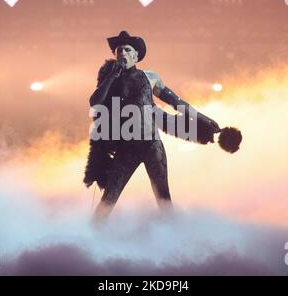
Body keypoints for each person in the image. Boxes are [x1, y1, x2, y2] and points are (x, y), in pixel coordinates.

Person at [84, 31, 240, 225]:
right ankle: (93, 237)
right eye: (119, 50)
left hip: (151, 145)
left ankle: (172, 238)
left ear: (136, 55)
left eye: (127, 49)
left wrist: (204, 119)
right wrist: (112, 76)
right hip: (126, 148)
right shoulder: (110, 79)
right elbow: (94, 102)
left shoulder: (151, 77)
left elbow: (176, 102)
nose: (122, 52)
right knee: (108, 199)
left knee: (163, 198)